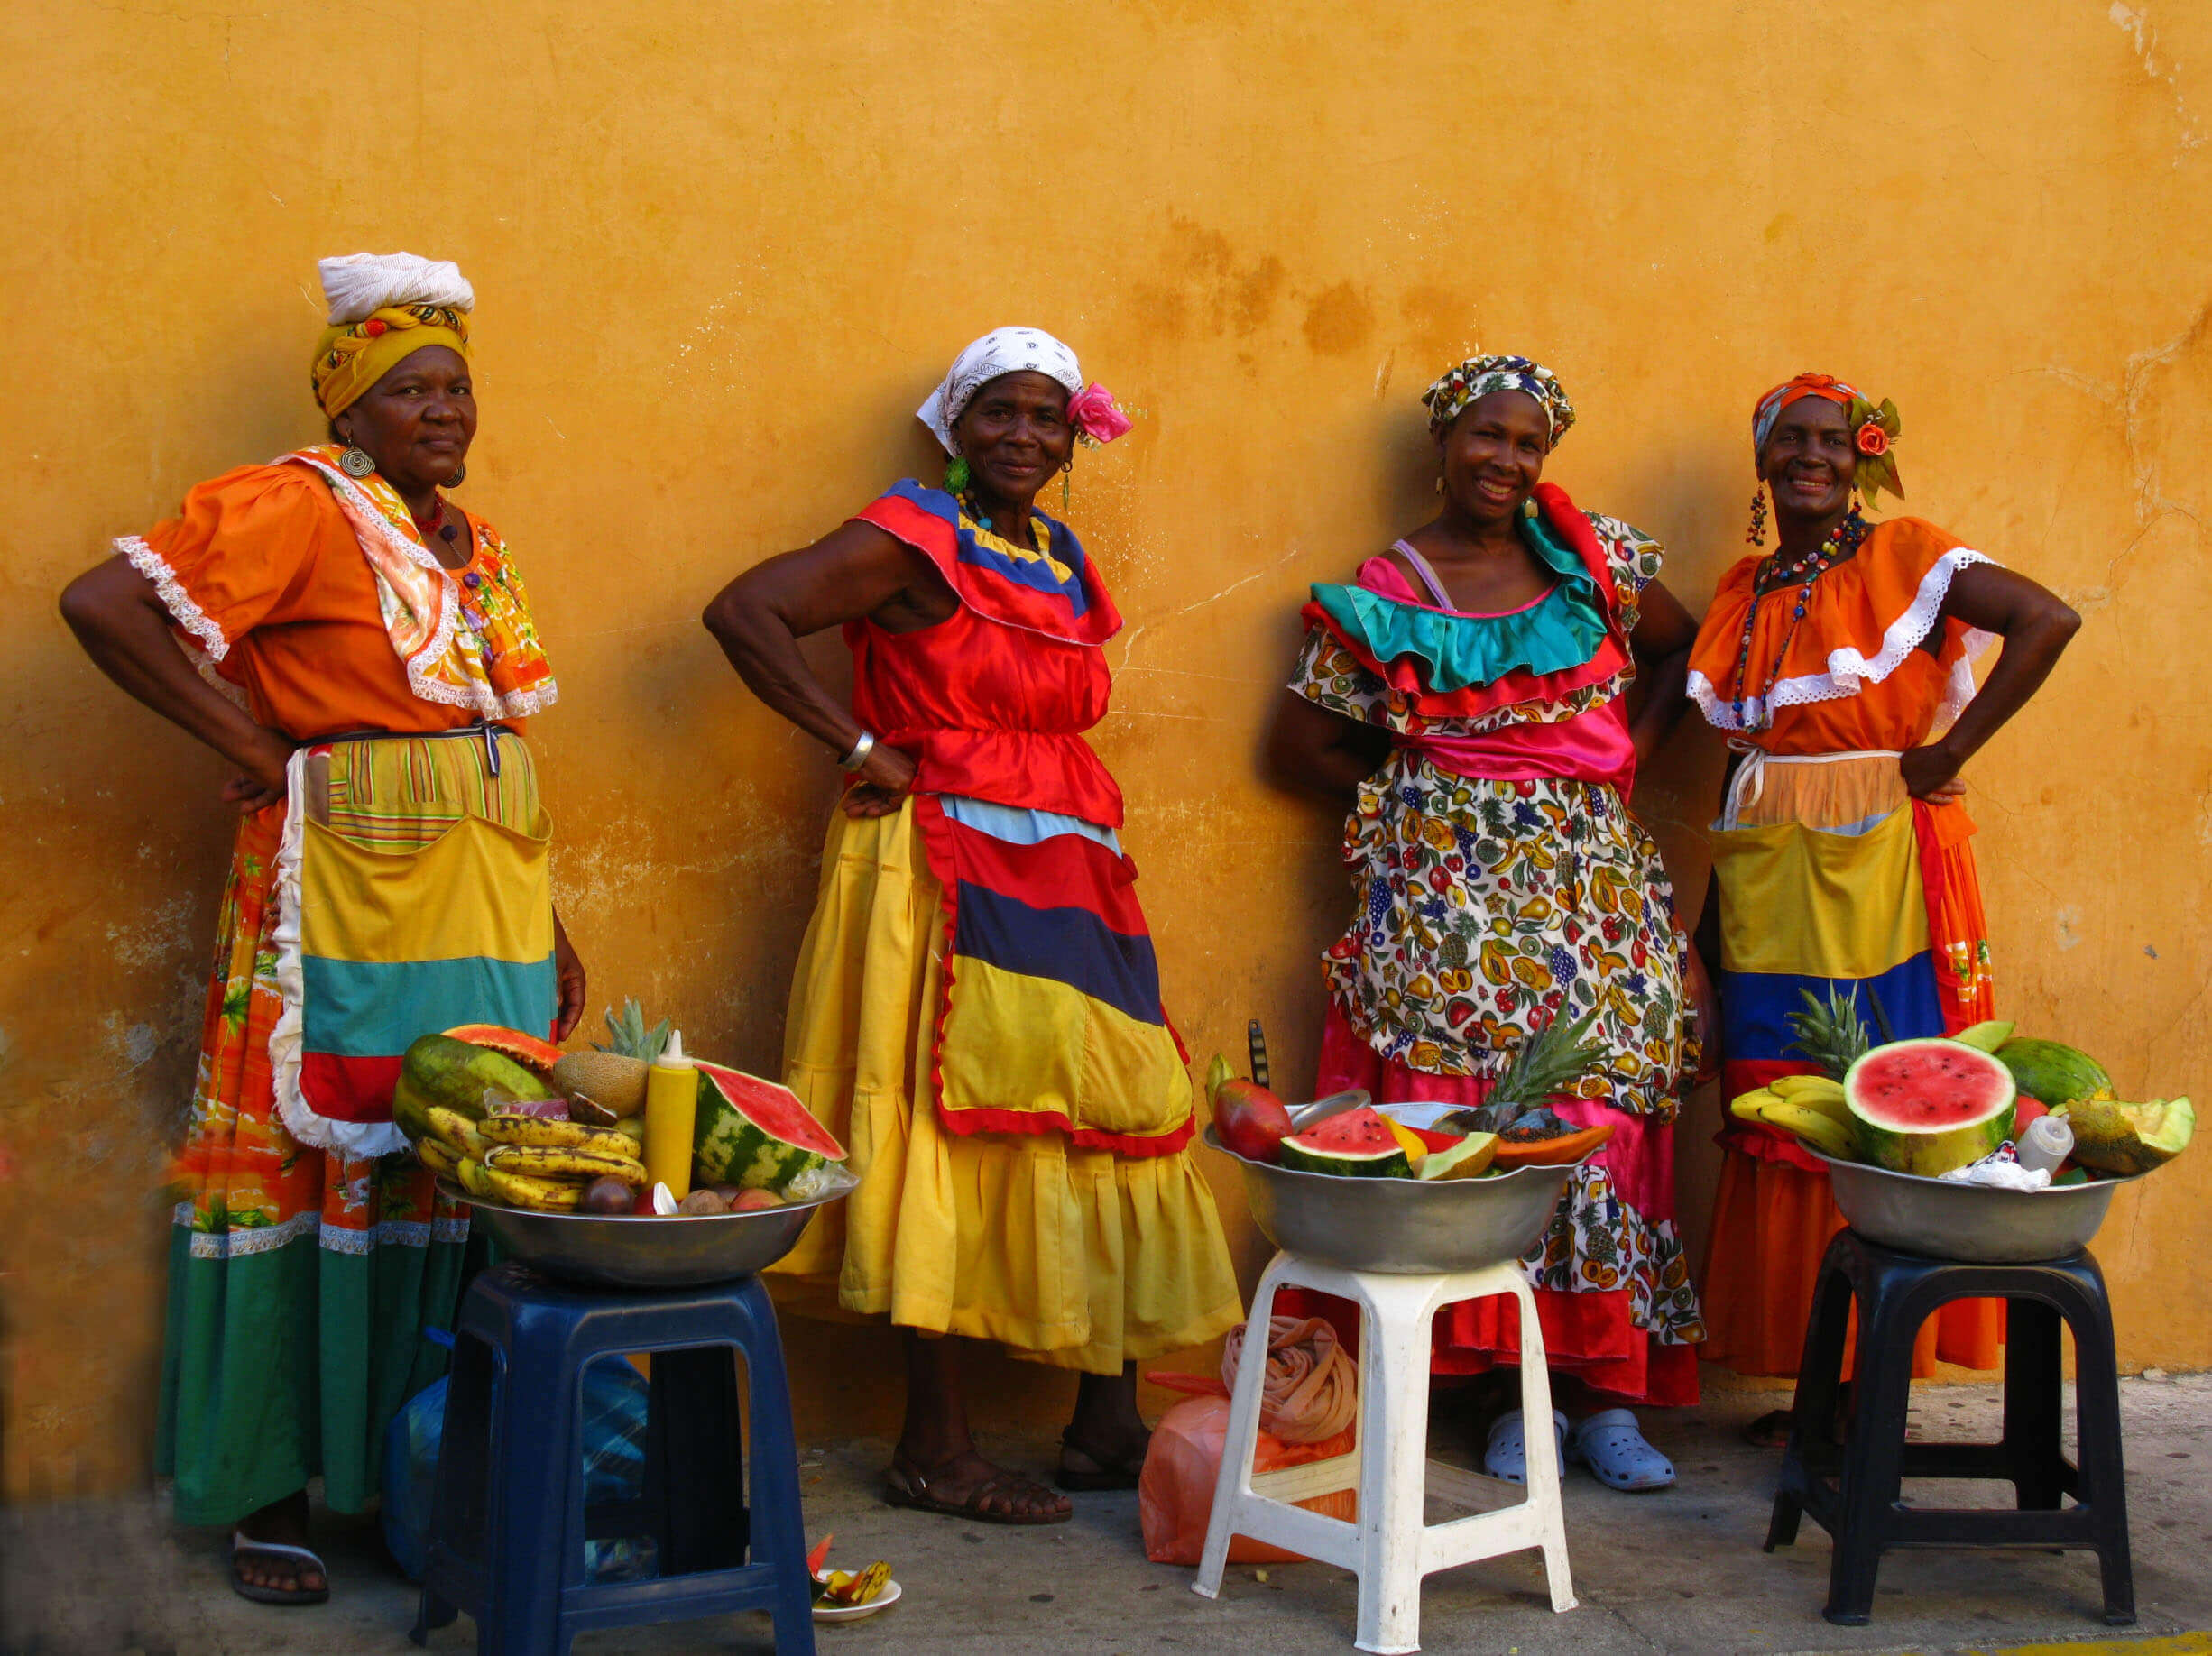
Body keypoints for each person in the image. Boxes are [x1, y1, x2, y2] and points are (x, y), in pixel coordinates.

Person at [60, 253, 585, 1604]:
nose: (443, 412)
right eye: (409, 389)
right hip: (332, 897)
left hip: (481, 906)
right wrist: (255, 742)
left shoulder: (478, 548)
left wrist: (547, 916)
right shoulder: (297, 504)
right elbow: (106, 606)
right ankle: (269, 1492)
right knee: (303, 1161)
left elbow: (483, 740)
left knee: (456, 1160)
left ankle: (417, 1473)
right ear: (346, 404)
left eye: (458, 389)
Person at [703, 327, 1240, 1524]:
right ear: (958, 425)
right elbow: (746, 612)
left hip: (1071, 870)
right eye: (1000, 412)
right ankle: (933, 1445)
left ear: (1071, 438)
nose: (1025, 435)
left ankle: (1103, 1421)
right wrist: (857, 746)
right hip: (938, 867)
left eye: (1048, 417)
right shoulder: (914, 536)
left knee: (1109, 1108)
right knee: (944, 1123)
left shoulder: (1057, 553)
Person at [1267, 354, 1711, 1492]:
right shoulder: (1393, 584)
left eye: (1525, 444)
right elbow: (1300, 746)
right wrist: (1434, 793)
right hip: (1448, 910)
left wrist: (1629, 758)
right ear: (1443, 442)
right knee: (1482, 1135)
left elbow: (1682, 647)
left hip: (1595, 892)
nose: (1502, 461)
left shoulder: (1597, 562)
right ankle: (1513, 1398)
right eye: (1484, 437)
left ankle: (1605, 1395)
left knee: (1600, 1117)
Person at [1687, 373, 2079, 1441]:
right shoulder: (1744, 589)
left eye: (1832, 441)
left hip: (1885, 852)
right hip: (1770, 860)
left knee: (1887, 1089)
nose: (1810, 458)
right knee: (1790, 1096)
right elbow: (1742, 763)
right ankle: (1821, 1370)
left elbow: (2047, 619)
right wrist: (1698, 938)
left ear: (1862, 458)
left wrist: (1944, 754)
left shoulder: (1904, 554)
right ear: (1762, 461)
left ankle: (1877, 1383)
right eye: (1789, 441)